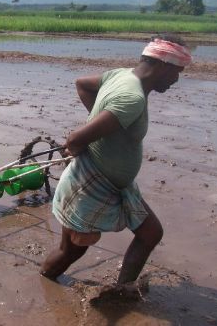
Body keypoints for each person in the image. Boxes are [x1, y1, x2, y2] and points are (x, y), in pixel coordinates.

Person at [41, 34, 192, 288]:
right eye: (177, 71)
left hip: (116, 183)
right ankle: (45, 281)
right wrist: (91, 135)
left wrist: (105, 122)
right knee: (72, 250)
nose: (177, 79)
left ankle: (123, 291)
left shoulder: (121, 75)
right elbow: (76, 140)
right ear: (163, 64)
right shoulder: (132, 98)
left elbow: (82, 84)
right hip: (91, 183)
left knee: (150, 233)